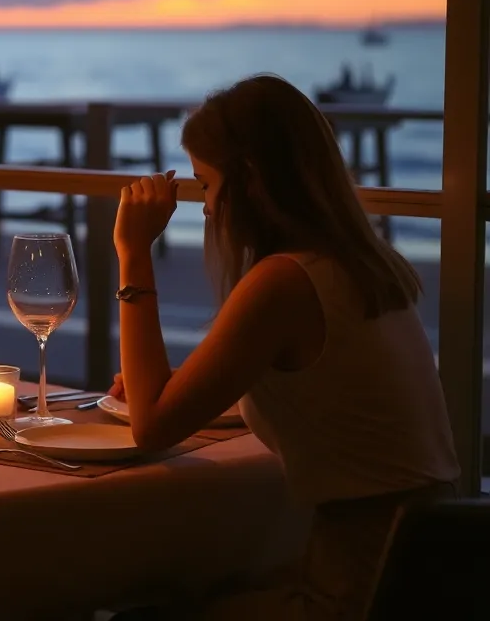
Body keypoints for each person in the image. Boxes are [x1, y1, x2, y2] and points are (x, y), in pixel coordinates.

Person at [108, 74, 459, 620]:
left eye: (207, 185)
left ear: (249, 181)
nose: (206, 209)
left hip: (357, 588)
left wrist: (132, 253)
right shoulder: (362, 266)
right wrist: (177, 389)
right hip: (427, 574)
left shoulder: (284, 283)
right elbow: (326, 398)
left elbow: (151, 428)